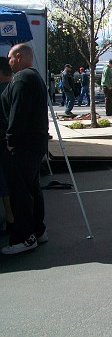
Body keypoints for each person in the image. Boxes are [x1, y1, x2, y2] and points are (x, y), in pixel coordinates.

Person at [0, 43, 49, 254]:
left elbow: (18, 113)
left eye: (10, 58)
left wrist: (11, 140)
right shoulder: (35, 77)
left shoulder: (22, 79)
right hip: (34, 144)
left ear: (18, 57)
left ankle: (24, 237)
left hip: (23, 146)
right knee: (32, 189)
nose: (8, 62)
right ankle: (37, 231)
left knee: (21, 193)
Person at [0, 57, 14, 234]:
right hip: (16, 144)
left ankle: (11, 220)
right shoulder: (17, 87)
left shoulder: (4, 91)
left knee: (6, 186)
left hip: (5, 143)